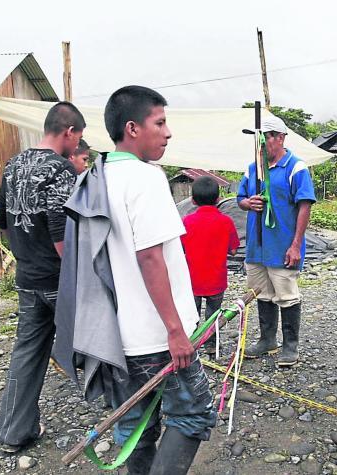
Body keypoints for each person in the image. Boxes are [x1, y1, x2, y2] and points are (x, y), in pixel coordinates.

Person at [96, 85, 216, 474]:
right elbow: (150, 257)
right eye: (160, 122)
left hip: (119, 334)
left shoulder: (98, 176)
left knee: (136, 426)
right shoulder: (144, 177)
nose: (168, 133)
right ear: (133, 128)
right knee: (193, 414)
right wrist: (175, 329)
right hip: (156, 335)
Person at [0, 101, 84, 453]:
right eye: (78, 138)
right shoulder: (61, 170)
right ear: (69, 132)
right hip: (57, 278)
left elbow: (2, 220)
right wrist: (79, 278)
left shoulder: (13, 164)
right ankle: (125, 411)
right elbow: (62, 232)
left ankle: (14, 432)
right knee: (96, 338)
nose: (78, 146)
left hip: (27, 277)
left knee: (27, 352)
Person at [237, 114, 316, 367]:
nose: (260, 145)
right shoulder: (252, 169)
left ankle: (290, 345)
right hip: (256, 247)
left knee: (287, 295)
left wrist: (296, 245)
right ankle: (267, 339)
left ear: (280, 138)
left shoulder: (296, 167)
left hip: (282, 245)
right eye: (257, 140)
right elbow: (240, 198)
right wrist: (248, 203)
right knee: (260, 293)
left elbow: (305, 205)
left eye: (265, 138)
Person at [181, 176, 239, 354]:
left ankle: (192, 345)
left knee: (192, 314)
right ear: (218, 199)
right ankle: (211, 344)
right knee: (213, 313)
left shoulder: (186, 222)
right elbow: (234, 251)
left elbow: (179, 248)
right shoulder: (226, 222)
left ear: (192, 200)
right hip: (216, 280)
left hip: (192, 280)